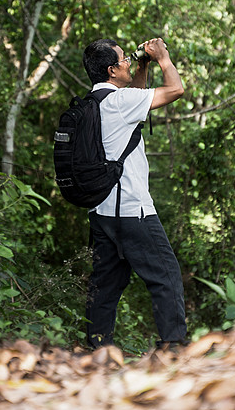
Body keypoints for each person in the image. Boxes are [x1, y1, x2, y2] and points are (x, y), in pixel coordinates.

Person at [81, 37, 187, 350]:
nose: (128, 61)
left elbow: (135, 104)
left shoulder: (93, 103)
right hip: (131, 210)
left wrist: (142, 66)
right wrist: (163, 58)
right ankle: (173, 347)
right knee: (166, 276)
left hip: (102, 212)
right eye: (123, 60)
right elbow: (175, 90)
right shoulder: (119, 102)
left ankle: (98, 348)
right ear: (112, 71)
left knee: (105, 285)